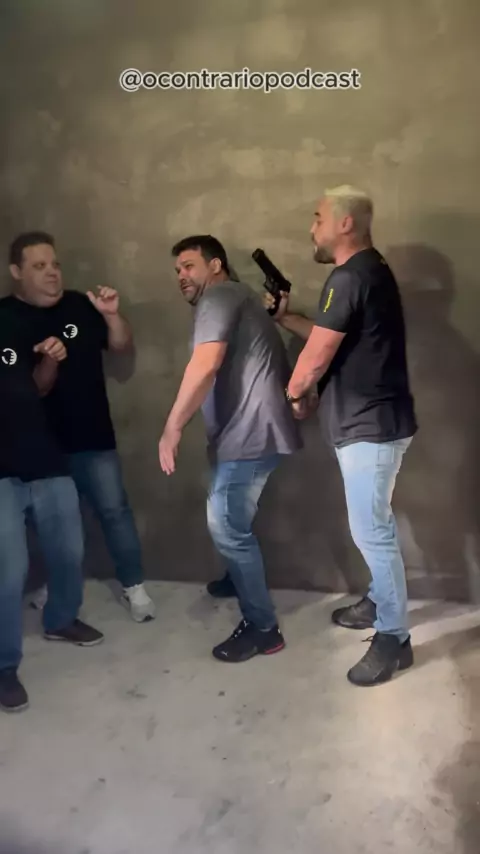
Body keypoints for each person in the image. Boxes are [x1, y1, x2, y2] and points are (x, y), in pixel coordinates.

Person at [274, 185, 418, 686]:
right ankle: (379, 601)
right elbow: (332, 336)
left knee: (371, 531)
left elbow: (316, 356)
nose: (312, 229)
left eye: (318, 218)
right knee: (375, 525)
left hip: (369, 428)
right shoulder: (369, 272)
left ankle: (394, 638)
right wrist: (286, 318)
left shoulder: (349, 276)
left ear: (345, 223)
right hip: (373, 424)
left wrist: (295, 393)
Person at [159, 235, 303, 662]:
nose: (181, 276)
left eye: (189, 266)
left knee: (225, 525)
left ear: (215, 265)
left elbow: (206, 364)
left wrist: (172, 426)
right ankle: (236, 575)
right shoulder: (241, 298)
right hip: (249, 431)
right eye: (177, 270)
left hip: (249, 433)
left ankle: (263, 629)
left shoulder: (219, 296)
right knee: (233, 515)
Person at [2, 232, 155, 623]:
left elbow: (120, 345)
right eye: (39, 266)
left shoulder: (79, 305)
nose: (52, 273)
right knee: (54, 527)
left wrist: (111, 315)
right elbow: (28, 387)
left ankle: (134, 586)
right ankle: (60, 588)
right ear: (16, 272)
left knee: (113, 511)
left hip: (92, 434)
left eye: (55, 264)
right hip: (38, 447)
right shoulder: (4, 317)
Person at [0, 306, 104, 713]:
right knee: (9, 571)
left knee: (69, 551)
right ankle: (4, 666)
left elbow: (38, 388)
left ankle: (60, 620)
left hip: (44, 459)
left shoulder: (9, 325)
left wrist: (50, 359)